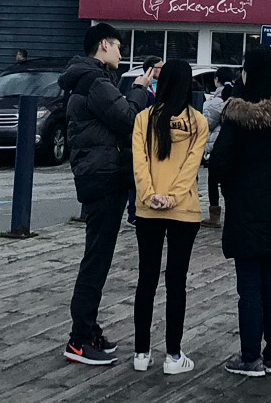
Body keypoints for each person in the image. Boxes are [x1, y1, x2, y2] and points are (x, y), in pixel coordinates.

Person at [60, 22, 152, 366]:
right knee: (96, 260)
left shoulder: (89, 79)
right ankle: (79, 339)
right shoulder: (95, 81)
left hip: (98, 176)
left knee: (98, 257)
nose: (120, 52)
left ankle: (88, 327)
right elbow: (128, 117)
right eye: (116, 46)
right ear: (102, 46)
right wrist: (141, 88)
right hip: (103, 178)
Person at [208, 48, 271, 376]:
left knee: (248, 284)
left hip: (246, 211)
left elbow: (220, 161)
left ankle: (250, 356)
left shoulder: (237, 115)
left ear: (249, 72)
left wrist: (227, 188)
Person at [130, 58, 209, 375]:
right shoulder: (198, 123)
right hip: (183, 211)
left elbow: (139, 164)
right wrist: (173, 197)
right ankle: (174, 355)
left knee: (145, 280)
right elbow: (191, 168)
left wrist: (150, 195)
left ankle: (140, 353)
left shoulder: (143, 119)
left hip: (147, 209)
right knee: (176, 282)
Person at [201, 78, 228, 228]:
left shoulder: (217, 101)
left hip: (216, 145)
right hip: (231, 148)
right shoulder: (235, 97)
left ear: (217, 80)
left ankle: (214, 216)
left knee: (213, 181)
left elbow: (207, 123)